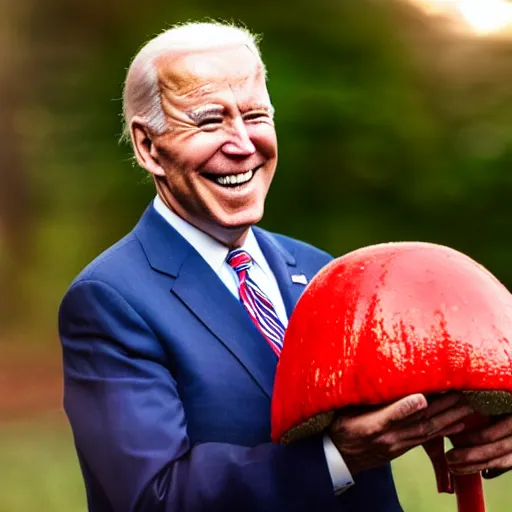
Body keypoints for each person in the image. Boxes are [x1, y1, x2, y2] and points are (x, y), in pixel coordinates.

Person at [58, 21, 512, 512]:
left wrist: (482, 422)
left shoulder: (323, 271)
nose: (241, 143)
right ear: (149, 146)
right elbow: (153, 497)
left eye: (254, 115)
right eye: (210, 121)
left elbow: (413, 388)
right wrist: (335, 458)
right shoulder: (109, 300)